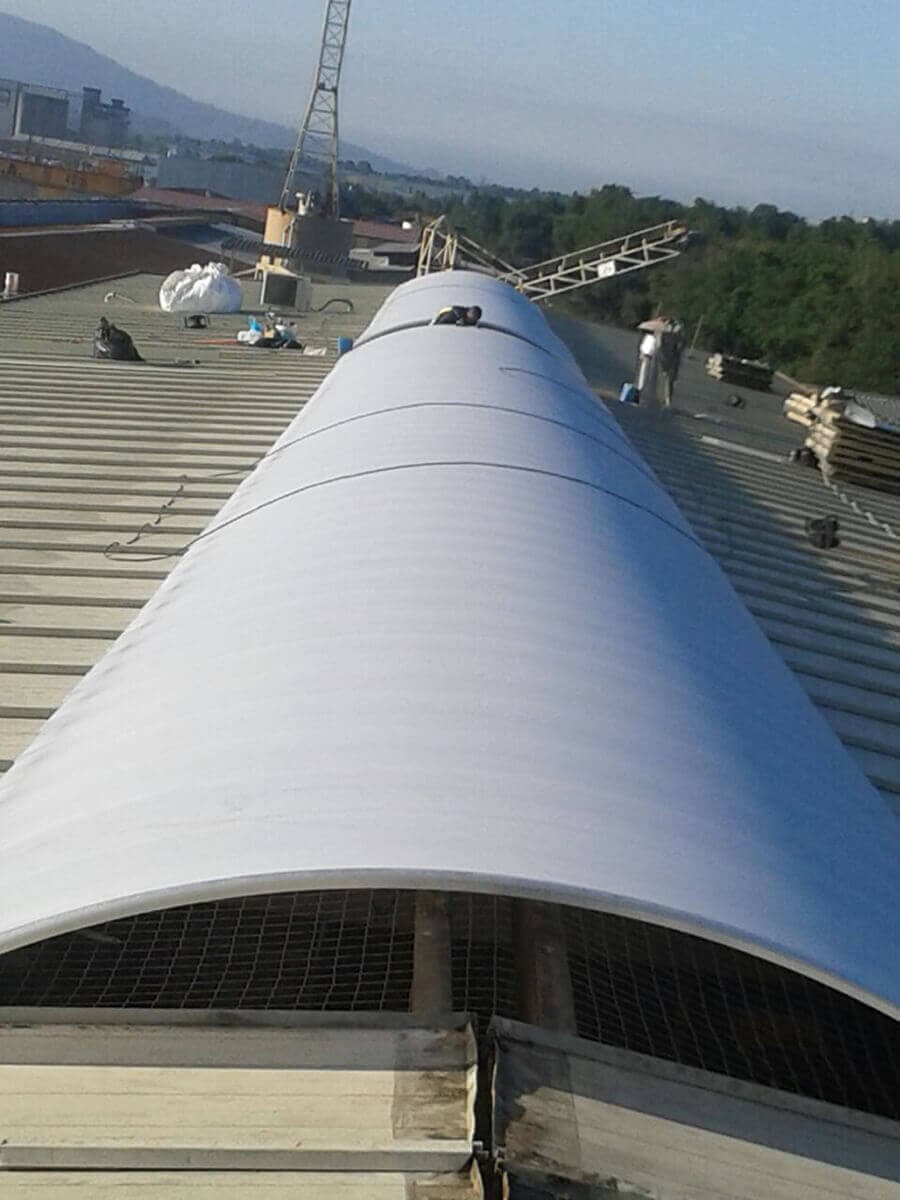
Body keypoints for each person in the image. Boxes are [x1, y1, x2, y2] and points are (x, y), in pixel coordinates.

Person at [658, 320, 683, 406]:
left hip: (673, 361)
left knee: (670, 381)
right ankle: (665, 398)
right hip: (666, 360)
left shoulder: (677, 338)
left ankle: (667, 399)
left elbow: (679, 349)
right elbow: (661, 347)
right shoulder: (666, 335)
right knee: (666, 380)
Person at [636, 329, 658, 405]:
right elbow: (653, 350)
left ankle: (640, 395)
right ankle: (640, 395)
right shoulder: (654, 339)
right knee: (644, 377)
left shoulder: (648, 337)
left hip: (646, 356)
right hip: (648, 357)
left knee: (643, 377)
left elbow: (642, 347)